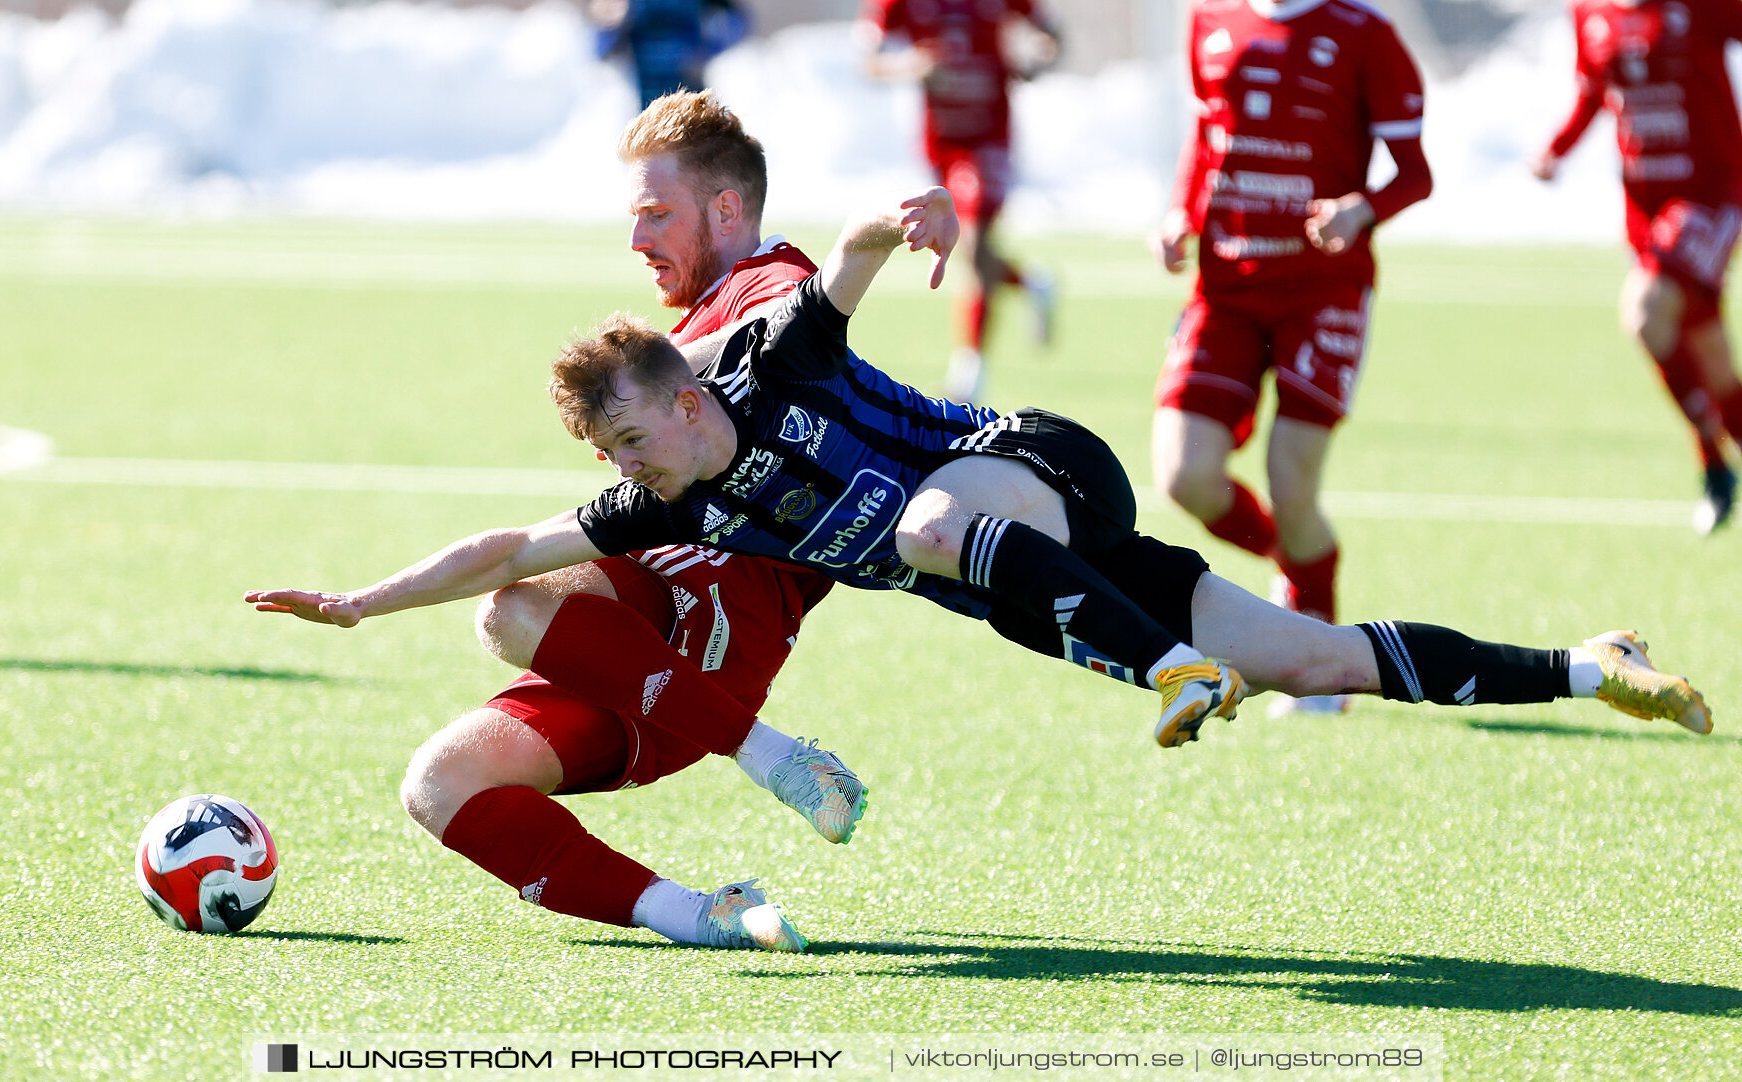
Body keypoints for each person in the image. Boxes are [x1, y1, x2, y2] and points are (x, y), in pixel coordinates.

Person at [250, 191, 1713, 871]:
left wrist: (921, 220)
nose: (647, 460)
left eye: (648, 425)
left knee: (941, 518)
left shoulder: (771, 364)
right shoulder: (663, 497)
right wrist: (362, 605)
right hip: (1037, 581)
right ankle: (1594, 665)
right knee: (1315, 656)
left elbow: (858, 259)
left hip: (1027, 473)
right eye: (622, 453)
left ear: (688, 381)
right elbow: (506, 551)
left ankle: (1168, 678)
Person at [252, 92, 869, 955]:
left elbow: (791, 325)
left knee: (508, 611)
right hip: (644, 657)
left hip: (729, 624)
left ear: (727, 209)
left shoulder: (768, 283)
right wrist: (362, 602)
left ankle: (774, 757)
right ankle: (704, 918)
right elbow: (512, 549)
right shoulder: (681, 341)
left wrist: (656, 368)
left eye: (657, 214)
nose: (638, 240)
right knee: (442, 783)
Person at [1152, 0, 1434, 715]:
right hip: (1225, 286)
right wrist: (1182, 214)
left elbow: (1414, 173)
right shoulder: (1209, 18)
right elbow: (1206, 133)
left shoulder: (1362, 32)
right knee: (1184, 477)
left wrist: (1361, 209)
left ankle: (1319, 651)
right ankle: (1294, 568)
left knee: (1290, 475)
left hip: (1323, 289)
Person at [1532, 0, 1742, 534]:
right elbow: (1592, 91)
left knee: (1646, 313)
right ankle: (1717, 469)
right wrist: (1557, 149)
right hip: (1645, 211)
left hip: (1711, 199)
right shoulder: (1587, 13)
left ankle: (1714, 456)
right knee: (1710, 356)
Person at [859, 0, 1062, 403]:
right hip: (941, 143)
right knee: (976, 253)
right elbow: (869, 59)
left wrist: (1036, 60)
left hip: (989, 139)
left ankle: (969, 379)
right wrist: (912, 66)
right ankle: (1031, 283)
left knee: (972, 247)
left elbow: (1050, 37)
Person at [591, 0, 750, 110]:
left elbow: (739, 23)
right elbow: (599, 50)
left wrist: (707, 52)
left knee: (696, 150)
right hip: (644, 101)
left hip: (690, 94)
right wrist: (610, 25)